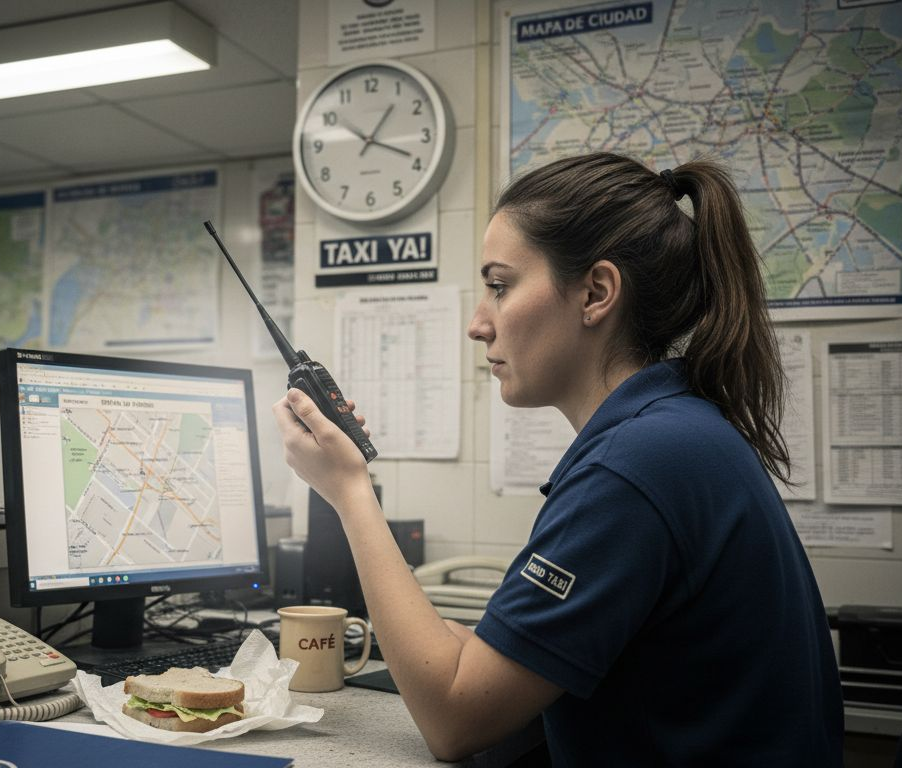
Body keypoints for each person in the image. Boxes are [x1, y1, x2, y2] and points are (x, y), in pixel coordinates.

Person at [272, 152, 843, 765]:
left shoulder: (637, 465)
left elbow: (454, 719)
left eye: (500, 285)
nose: (477, 324)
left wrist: (350, 492)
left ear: (595, 292)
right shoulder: (677, 430)